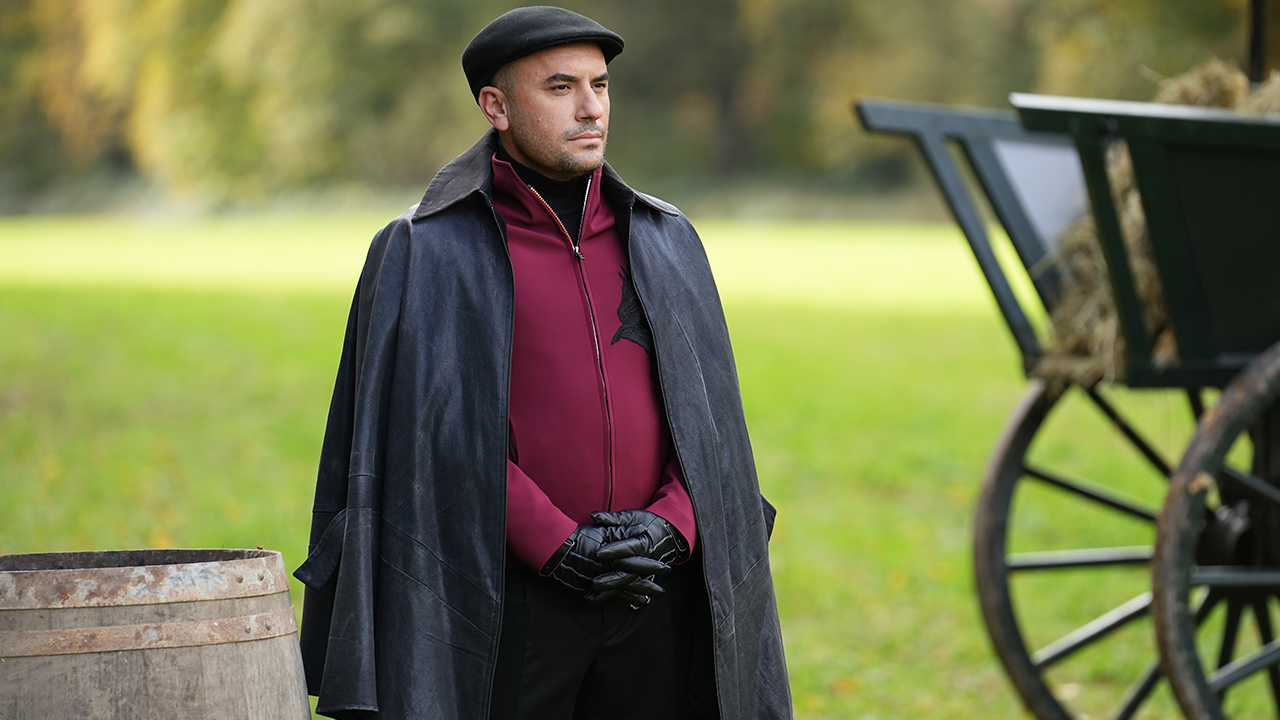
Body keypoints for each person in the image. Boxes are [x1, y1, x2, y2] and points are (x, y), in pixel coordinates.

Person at [295, 7, 791, 720]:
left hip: (657, 590)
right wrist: (556, 545)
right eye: (561, 87)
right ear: (495, 107)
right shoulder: (423, 249)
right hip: (498, 602)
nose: (591, 108)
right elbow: (426, 440)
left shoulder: (666, 236)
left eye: (600, 85)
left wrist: (671, 527)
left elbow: (709, 422)